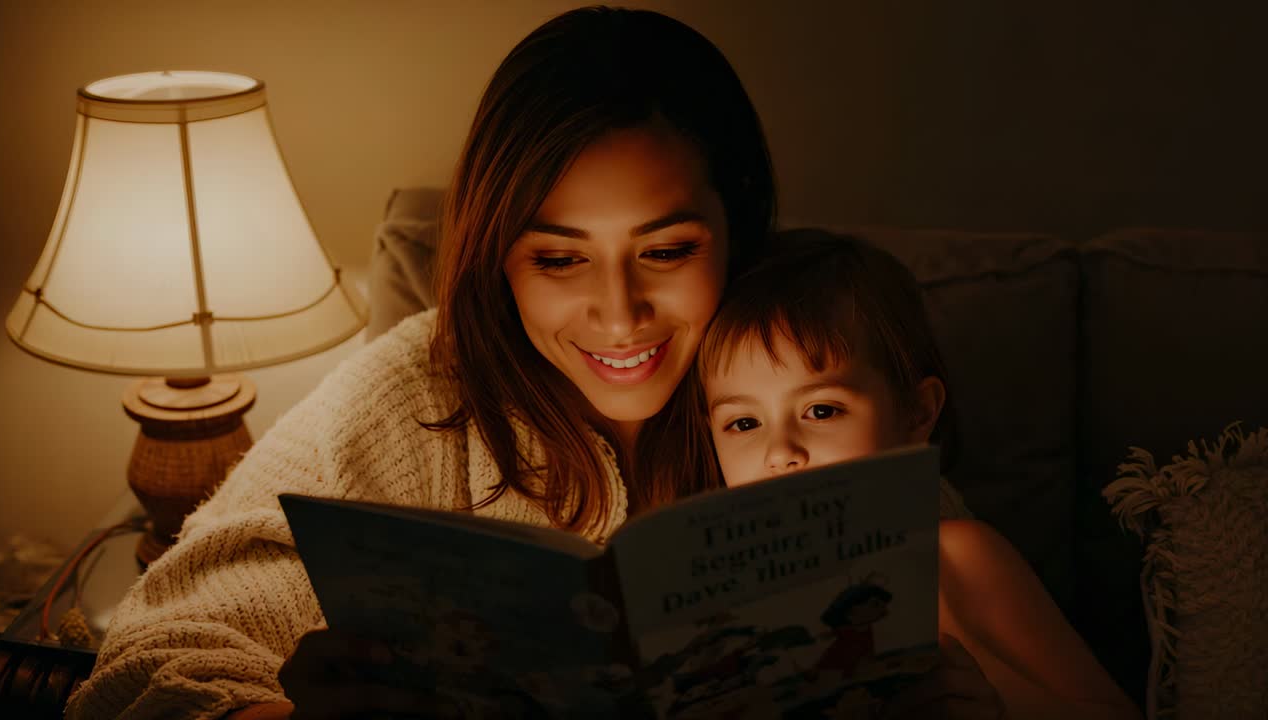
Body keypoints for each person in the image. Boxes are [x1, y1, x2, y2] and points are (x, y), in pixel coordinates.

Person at [65, 6, 775, 720]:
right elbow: (145, 661)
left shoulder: (824, 359)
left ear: (734, 228)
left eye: (667, 251)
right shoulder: (415, 389)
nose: (620, 317)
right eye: (559, 259)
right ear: (498, 254)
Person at [697, 230, 1143, 719]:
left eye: (822, 411)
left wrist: (995, 706)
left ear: (916, 414)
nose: (781, 452)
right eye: (743, 423)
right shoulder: (717, 588)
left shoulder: (956, 553)